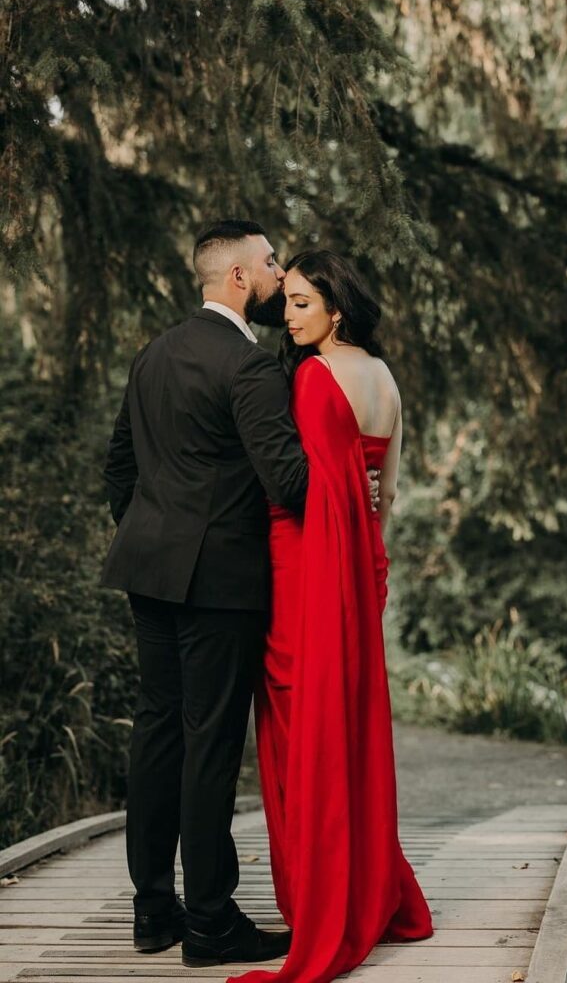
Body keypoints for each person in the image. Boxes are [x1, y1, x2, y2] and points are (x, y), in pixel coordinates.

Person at [101, 221, 377, 969]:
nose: (275, 275)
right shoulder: (250, 367)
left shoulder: (151, 354)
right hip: (220, 581)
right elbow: (286, 480)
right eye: (267, 266)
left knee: (156, 735)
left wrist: (154, 533)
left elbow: (118, 469)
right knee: (210, 745)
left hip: (147, 571)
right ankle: (211, 921)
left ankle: (152, 912)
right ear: (236, 280)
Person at [229, 250, 433, 983]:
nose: (288, 316)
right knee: (348, 724)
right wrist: (369, 565)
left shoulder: (315, 376)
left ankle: (322, 905)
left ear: (336, 307)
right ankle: (370, 890)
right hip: (361, 566)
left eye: (302, 303)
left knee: (301, 727)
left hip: (307, 567)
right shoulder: (382, 377)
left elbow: (299, 491)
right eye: (286, 303)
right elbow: (385, 492)